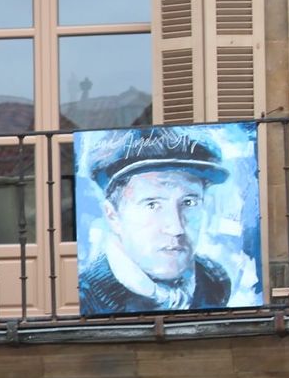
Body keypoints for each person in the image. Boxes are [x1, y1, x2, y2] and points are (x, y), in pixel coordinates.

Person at [78, 129, 233, 314]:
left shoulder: (214, 279)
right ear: (113, 216)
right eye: (152, 204)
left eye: (189, 202)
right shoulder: (86, 297)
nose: (176, 228)